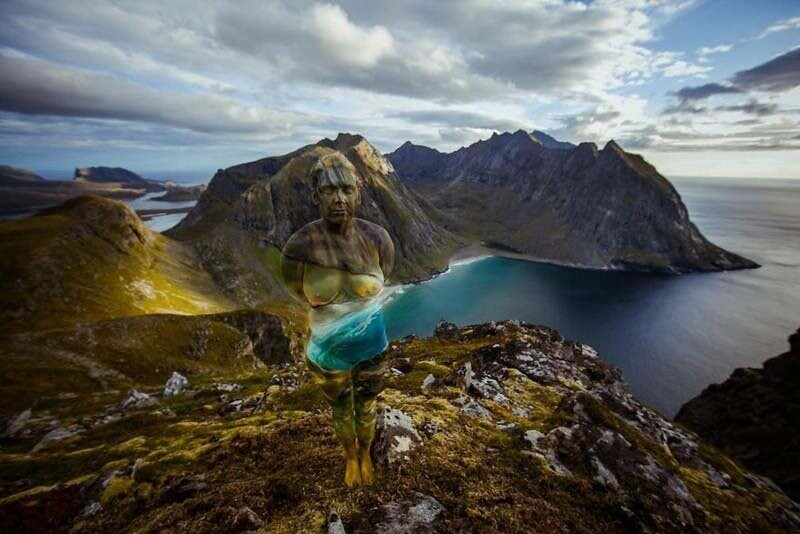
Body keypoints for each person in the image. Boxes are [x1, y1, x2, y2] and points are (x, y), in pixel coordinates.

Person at [280, 151, 395, 486]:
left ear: (358, 193)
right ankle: (351, 457)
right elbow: (294, 288)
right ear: (315, 195)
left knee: (368, 404)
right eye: (329, 191)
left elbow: (384, 275)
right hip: (326, 352)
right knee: (342, 408)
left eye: (346, 189)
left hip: (372, 345)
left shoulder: (378, 239)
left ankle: (366, 451)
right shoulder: (299, 247)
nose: (339, 198)